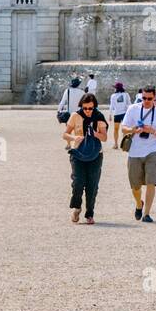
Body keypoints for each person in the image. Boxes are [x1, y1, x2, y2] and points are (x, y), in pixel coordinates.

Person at [121, 85, 156, 223]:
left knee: (151, 182)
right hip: (134, 152)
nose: (146, 101)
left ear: (155, 98)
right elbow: (124, 128)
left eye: (150, 98)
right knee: (135, 186)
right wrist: (132, 129)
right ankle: (138, 204)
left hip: (152, 151)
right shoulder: (133, 109)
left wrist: (151, 130)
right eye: (144, 98)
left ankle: (147, 213)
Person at [62, 91, 108, 224]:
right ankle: (76, 207)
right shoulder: (75, 116)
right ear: (81, 106)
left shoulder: (99, 117)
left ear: (95, 107)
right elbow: (65, 134)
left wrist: (94, 133)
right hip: (78, 153)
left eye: (90, 108)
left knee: (92, 185)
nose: (88, 111)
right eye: (85, 108)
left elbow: (104, 137)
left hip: (95, 155)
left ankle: (89, 214)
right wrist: (74, 137)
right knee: (78, 182)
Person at [109, 82, 131, 149]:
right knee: (125, 129)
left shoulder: (113, 96)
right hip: (124, 113)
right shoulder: (126, 94)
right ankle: (124, 144)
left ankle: (116, 144)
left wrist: (110, 114)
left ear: (116, 88)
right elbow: (129, 103)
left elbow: (111, 106)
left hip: (117, 114)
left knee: (116, 129)